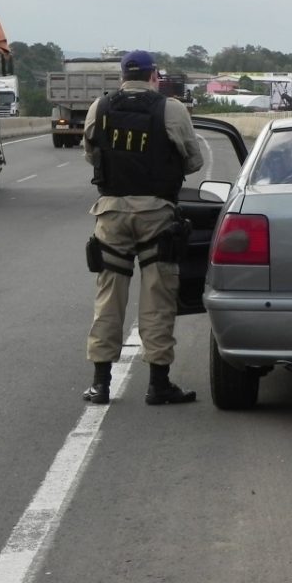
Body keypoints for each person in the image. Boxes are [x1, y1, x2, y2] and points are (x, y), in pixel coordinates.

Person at [81, 49, 204, 406]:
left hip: (112, 213)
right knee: (158, 299)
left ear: (122, 75)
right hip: (156, 214)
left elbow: (91, 154)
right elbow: (194, 161)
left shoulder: (99, 108)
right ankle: (158, 384)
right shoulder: (172, 109)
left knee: (108, 299)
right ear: (154, 76)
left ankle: (101, 384)